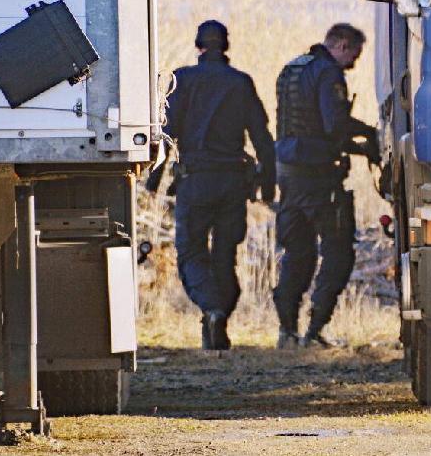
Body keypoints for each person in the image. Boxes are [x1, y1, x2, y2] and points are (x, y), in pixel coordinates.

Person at [162, 20, 276, 350]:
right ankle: (219, 318)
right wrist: (268, 187)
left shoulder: (181, 80)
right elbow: (262, 139)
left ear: (198, 46)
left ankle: (211, 310)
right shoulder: (240, 83)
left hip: (194, 182)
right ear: (226, 46)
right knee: (226, 257)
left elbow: (167, 133)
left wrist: (153, 180)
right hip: (232, 184)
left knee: (192, 253)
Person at [272, 23, 379, 348]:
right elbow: (334, 126)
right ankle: (316, 329)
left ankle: (287, 331)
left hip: (288, 174)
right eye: (354, 56)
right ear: (342, 45)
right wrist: (368, 138)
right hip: (320, 178)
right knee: (338, 251)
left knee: (297, 253)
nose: (353, 65)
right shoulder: (328, 73)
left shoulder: (292, 69)